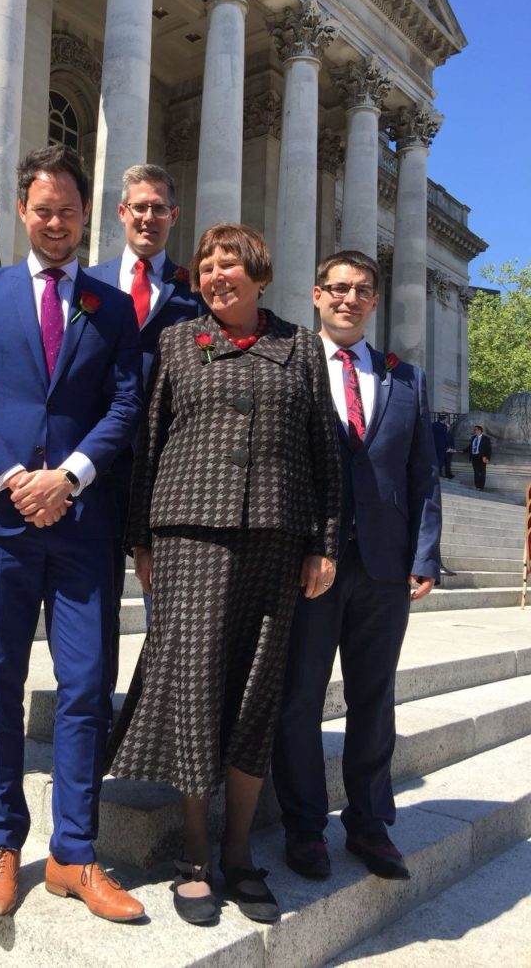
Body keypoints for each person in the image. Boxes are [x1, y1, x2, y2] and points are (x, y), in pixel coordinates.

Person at [107, 223, 341, 926]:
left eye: (230, 264)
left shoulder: (300, 346)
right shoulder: (177, 341)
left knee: (256, 695)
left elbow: (324, 453)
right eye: (207, 265)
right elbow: (148, 442)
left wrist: (324, 542)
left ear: (259, 273)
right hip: (189, 538)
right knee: (197, 690)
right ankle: (195, 855)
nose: (215, 275)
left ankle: (240, 854)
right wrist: (139, 539)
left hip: (276, 536)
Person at [0, 144, 144, 922]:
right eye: (42, 209)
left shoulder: (111, 306)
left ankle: (74, 852)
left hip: (83, 522)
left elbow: (124, 406)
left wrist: (72, 475)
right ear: (24, 212)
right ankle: (1, 842)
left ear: (87, 214)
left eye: (67, 209)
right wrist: (17, 478)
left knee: (87, 685)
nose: (55, 222)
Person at [272, 250, 441, 884]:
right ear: (316, 295)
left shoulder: (406, 379)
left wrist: (425, 555)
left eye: (362, 290)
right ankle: (305, 827)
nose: (349, 298)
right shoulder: (290, 367)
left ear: (374, 302)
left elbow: (422, 473)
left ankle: (369, 824)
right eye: (338, 288)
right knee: (300, 700)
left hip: (384, 568)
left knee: (375, 698)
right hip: (307, 566)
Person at [86, 164, 203, 639]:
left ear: (174, 215)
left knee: (165, 602)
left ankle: (156, 707)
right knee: (93, 600)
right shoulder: (87, 283)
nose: (148, 218)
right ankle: (94, 702)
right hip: (95, 461)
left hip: (164, 464)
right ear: (122, 212)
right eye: (140, 207)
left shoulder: (194, 292)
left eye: (159, 208)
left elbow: (206, 364)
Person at [467, 424, 492, 490]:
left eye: (476, 430)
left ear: (480, 430)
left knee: (482, 473)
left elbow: (488, 449)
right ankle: (477, 486)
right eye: (474, 430)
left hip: (482, 458)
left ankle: (481, 487)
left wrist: (487, 458)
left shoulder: (485, 438)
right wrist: (463, 451)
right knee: (476, 472)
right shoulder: (473, 438)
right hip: (474, 457)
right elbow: (470, 447)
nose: (474, 431)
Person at [432, 414, 454, 479]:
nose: (447, 420)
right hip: (442, 446)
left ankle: (435, 473)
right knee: (440, 460)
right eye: (446, 419)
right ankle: (438, 474)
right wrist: (448, 447)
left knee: (435, 460)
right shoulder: (444, 426)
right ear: (444, 419)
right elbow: (446, 436)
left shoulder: (433, 424)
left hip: (434, 445)